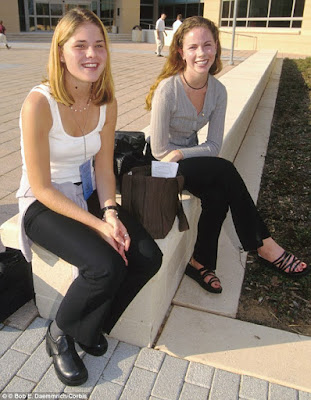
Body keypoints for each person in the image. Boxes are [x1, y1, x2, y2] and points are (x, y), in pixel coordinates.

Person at [17, 8, 162, 386]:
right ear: (60, 51)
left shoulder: (106, 100)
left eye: (99, 45)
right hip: (43, 203)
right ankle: (61, 333)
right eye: (80, 45)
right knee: (104, 265)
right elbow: (43, 187)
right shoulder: (39, 103)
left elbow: (103, 169)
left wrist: (111, 212)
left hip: (92, 193)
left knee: (147, 257)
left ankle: (91, 327)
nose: (92, 54)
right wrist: (98, 225)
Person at [146, 16, 309, 294]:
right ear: (181, 52)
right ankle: (263, 244)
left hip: (186, 160)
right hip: (160, 166)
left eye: (207, 45)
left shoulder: (218, 91)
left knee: (218, 195)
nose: (201, 53)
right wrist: (179, 155)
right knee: (224, 170)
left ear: (216, 48)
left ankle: (201, 262)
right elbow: (161, 151)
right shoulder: (168, 90)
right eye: (193, 47)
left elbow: (213, 145)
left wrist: (182, 153)